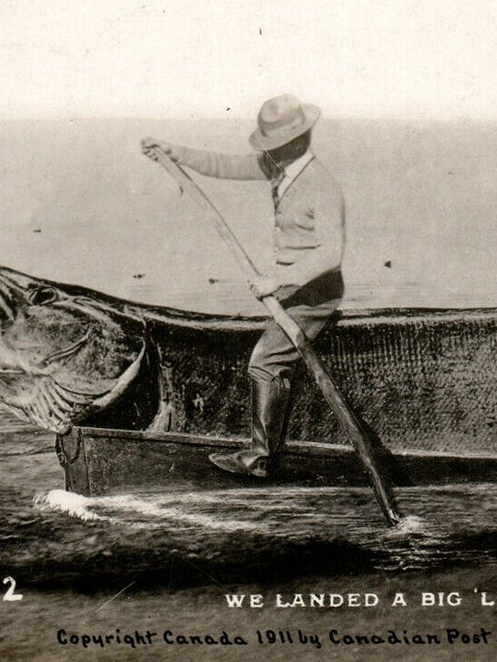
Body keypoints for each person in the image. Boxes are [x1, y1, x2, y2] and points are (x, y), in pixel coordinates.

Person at [141, 94, 345, 478]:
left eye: (276, 146)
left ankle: (260, 457)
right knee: (266, 355)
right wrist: (174, 153)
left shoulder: (321, 185)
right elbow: (227, 165)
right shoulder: (282, 169)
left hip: (315, 293)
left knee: (263, 362)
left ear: (297, 141)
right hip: (289, 290)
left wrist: (277, 279)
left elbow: (331, 255)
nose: (270, 154)